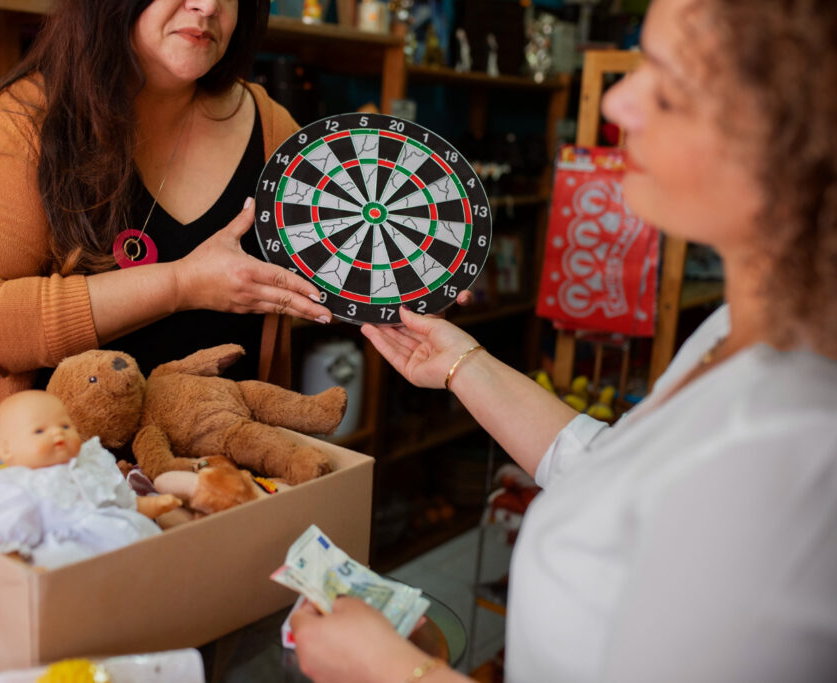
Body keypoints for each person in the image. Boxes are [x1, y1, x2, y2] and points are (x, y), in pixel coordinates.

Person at [291, 0, 837, 681]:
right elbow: (615, 471)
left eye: (666, 83)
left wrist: (393, 671)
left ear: (787, 133)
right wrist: (464, 365)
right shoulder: (743, 333)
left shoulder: (793, 455)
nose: (622, 99)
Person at [0, 0, 333, 444]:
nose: (208, 5)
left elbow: (343, 269)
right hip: (52, 489)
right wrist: (179, 285)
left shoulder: (273, 130)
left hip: (225, 482)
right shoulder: (24, 118)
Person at [0, 390, 182, 568]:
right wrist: (20, 566)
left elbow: (120, 502)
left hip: (129, 539)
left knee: (160, 558)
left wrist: (150, 504)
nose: (58, 432)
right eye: (39, 431)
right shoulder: (15, 486)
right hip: (72, 559)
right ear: (6, 449)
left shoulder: (89, 463)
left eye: (66, 426)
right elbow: (8, 539)